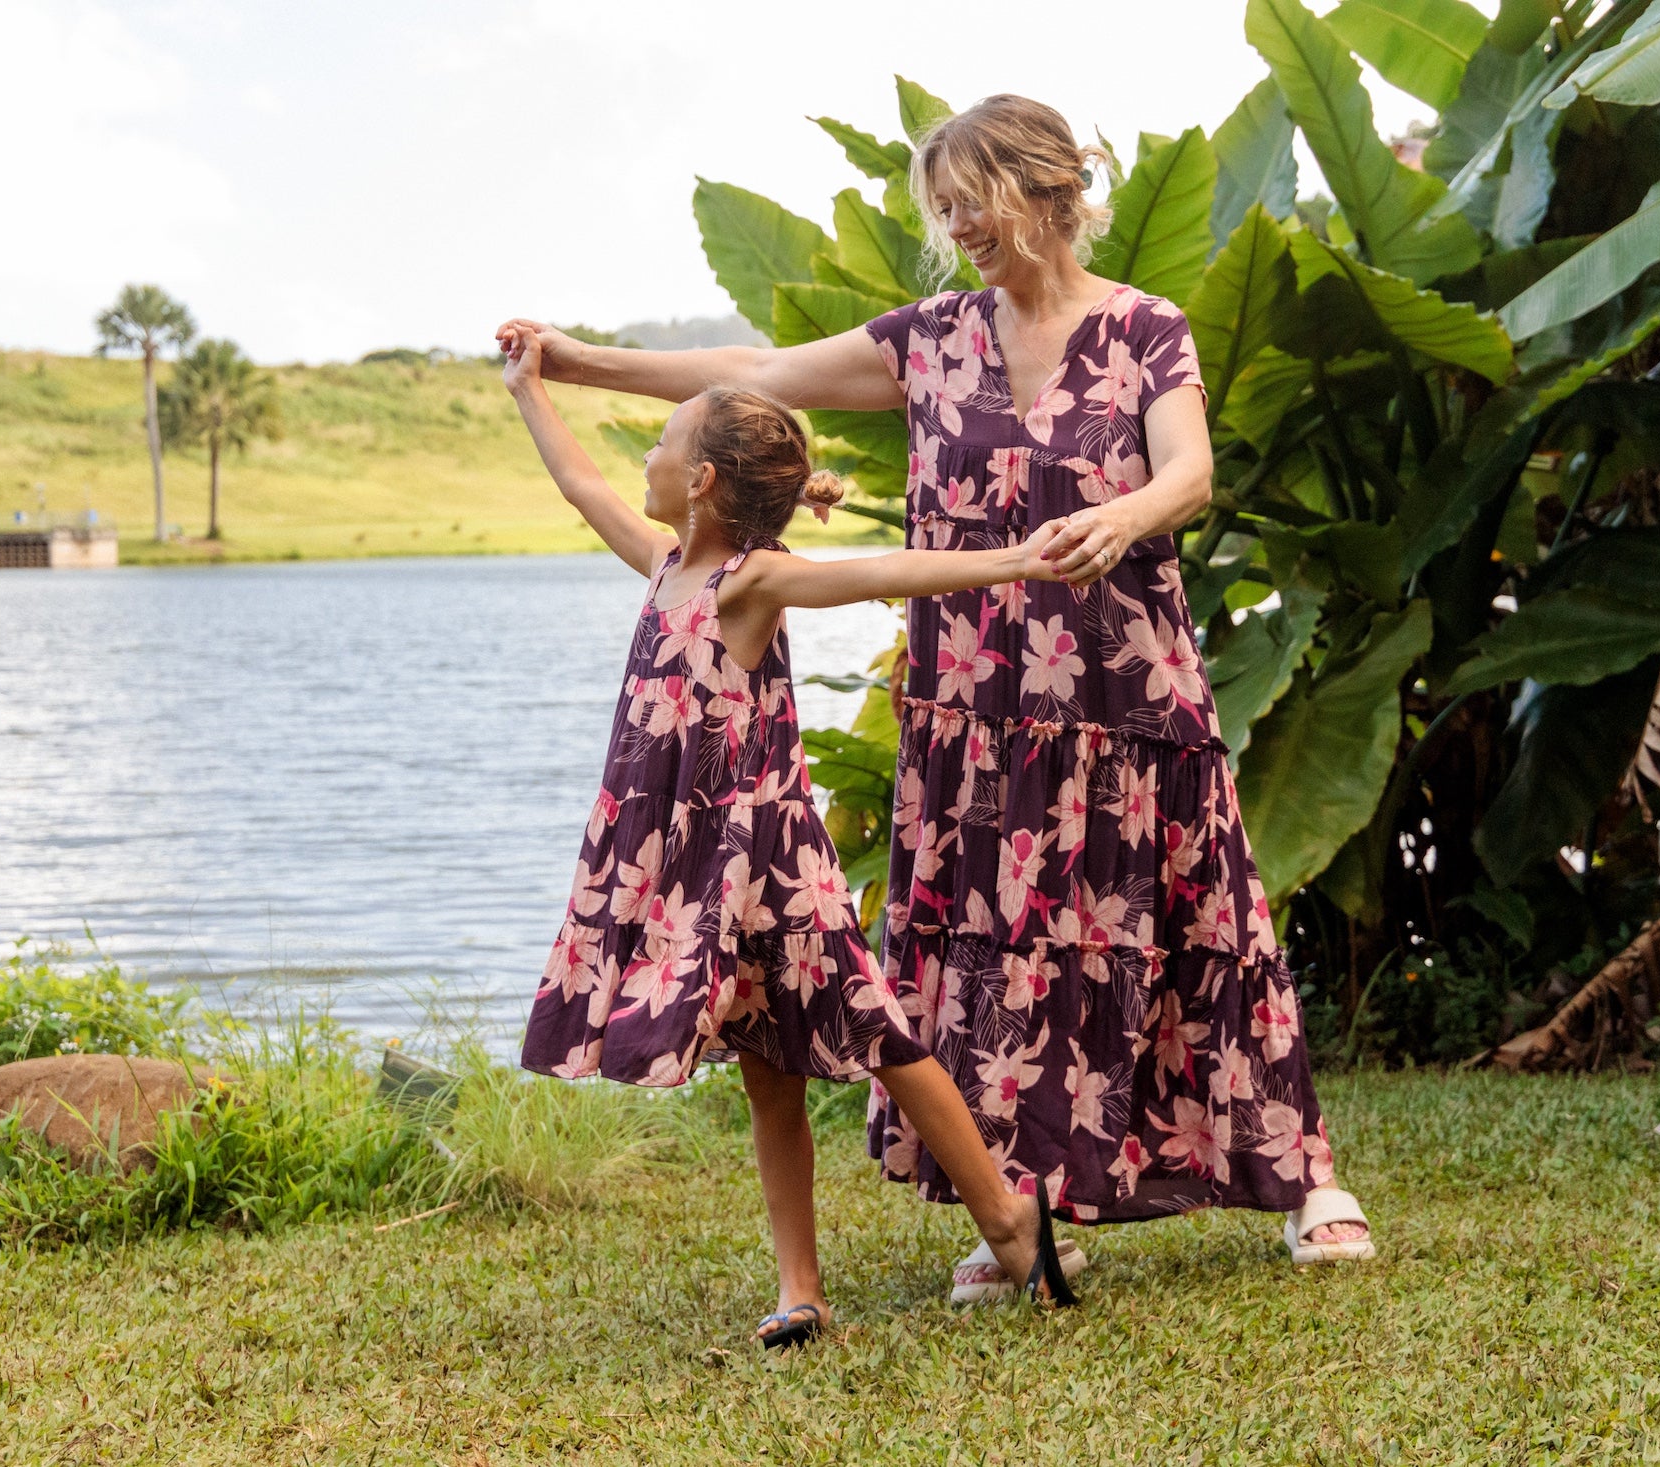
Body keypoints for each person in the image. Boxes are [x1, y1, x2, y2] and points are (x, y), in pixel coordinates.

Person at [494, 92, 1373, 1302]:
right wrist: (574, 359)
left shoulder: (1145, 330)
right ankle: (1014, 1204)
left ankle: (1306, 1175)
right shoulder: (932, 337)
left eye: (973, 202)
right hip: (972, 699)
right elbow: (753, 372)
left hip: (1125, 684)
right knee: (989, 947)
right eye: (944, 209)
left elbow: (1189, 473)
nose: (957, 226)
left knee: (1192, 919)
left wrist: (1120, 517)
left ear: (1043, 191)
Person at [500, 324, 1076, 1345]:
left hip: (771, 862)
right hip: (694, 868)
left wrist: (1018, 558)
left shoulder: (750, 585)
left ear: (703, 480)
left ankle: (1008, 1220)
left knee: (882, 1037)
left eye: (664, 445)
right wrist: (528, 392)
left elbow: (885, 573)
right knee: (770, 1076)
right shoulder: (664, 568)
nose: (645, 459)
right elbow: (582, 488)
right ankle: (799, 1291)